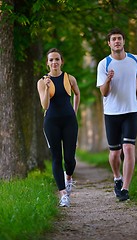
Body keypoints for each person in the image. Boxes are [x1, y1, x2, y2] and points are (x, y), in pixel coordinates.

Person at [96, 28, 137, 201]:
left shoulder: (134, 60)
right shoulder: (104, 64)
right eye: (113, 39)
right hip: (111, 113)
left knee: (129, 148)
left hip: (131, 111)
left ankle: (125, 188)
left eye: (119, 38)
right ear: (109, 43)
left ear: (124, 41)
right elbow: (104, 93)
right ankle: (117, 177)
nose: (117, 41)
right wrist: (108, 80)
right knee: (115, 153)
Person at [37, 48, 80, 207]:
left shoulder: (70, 78)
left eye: (57, 59)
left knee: (69, 158)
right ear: (47, 63)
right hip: (51, 123)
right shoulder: (42, 81)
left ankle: (68, 178)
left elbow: (77, 93)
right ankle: (63, 195)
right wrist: (48, 88)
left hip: (69, 122)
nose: (54, 62)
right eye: (51, 60)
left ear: (61, 61)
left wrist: (74, 112)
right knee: (56, 157)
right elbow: (45, 105)